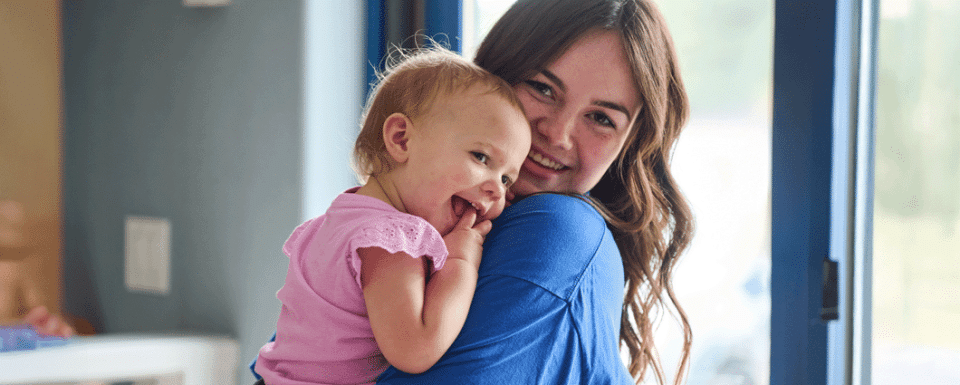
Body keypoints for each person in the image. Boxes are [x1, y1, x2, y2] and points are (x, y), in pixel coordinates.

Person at [374, 0, 694, 384]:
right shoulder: (414, 220)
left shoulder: (559, 232)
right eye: (542, 88)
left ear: (627, 145)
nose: (556, 134)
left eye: (600, 118)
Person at [253, 48, 531, 385]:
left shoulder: (337, 220)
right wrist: (462, 261)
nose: (496, 191)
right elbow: (416, 350)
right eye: (481, 157)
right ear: (401, 139)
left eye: (507, 179)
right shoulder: (393, 239)